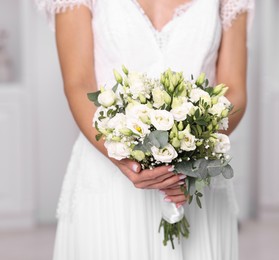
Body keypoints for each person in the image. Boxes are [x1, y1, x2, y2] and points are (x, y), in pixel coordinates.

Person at [37, 0, 254, 259]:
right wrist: (124, 157)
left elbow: (235, 90)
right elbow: (78, 83)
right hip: (108, 169)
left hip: (195, 175)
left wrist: (192, 156)